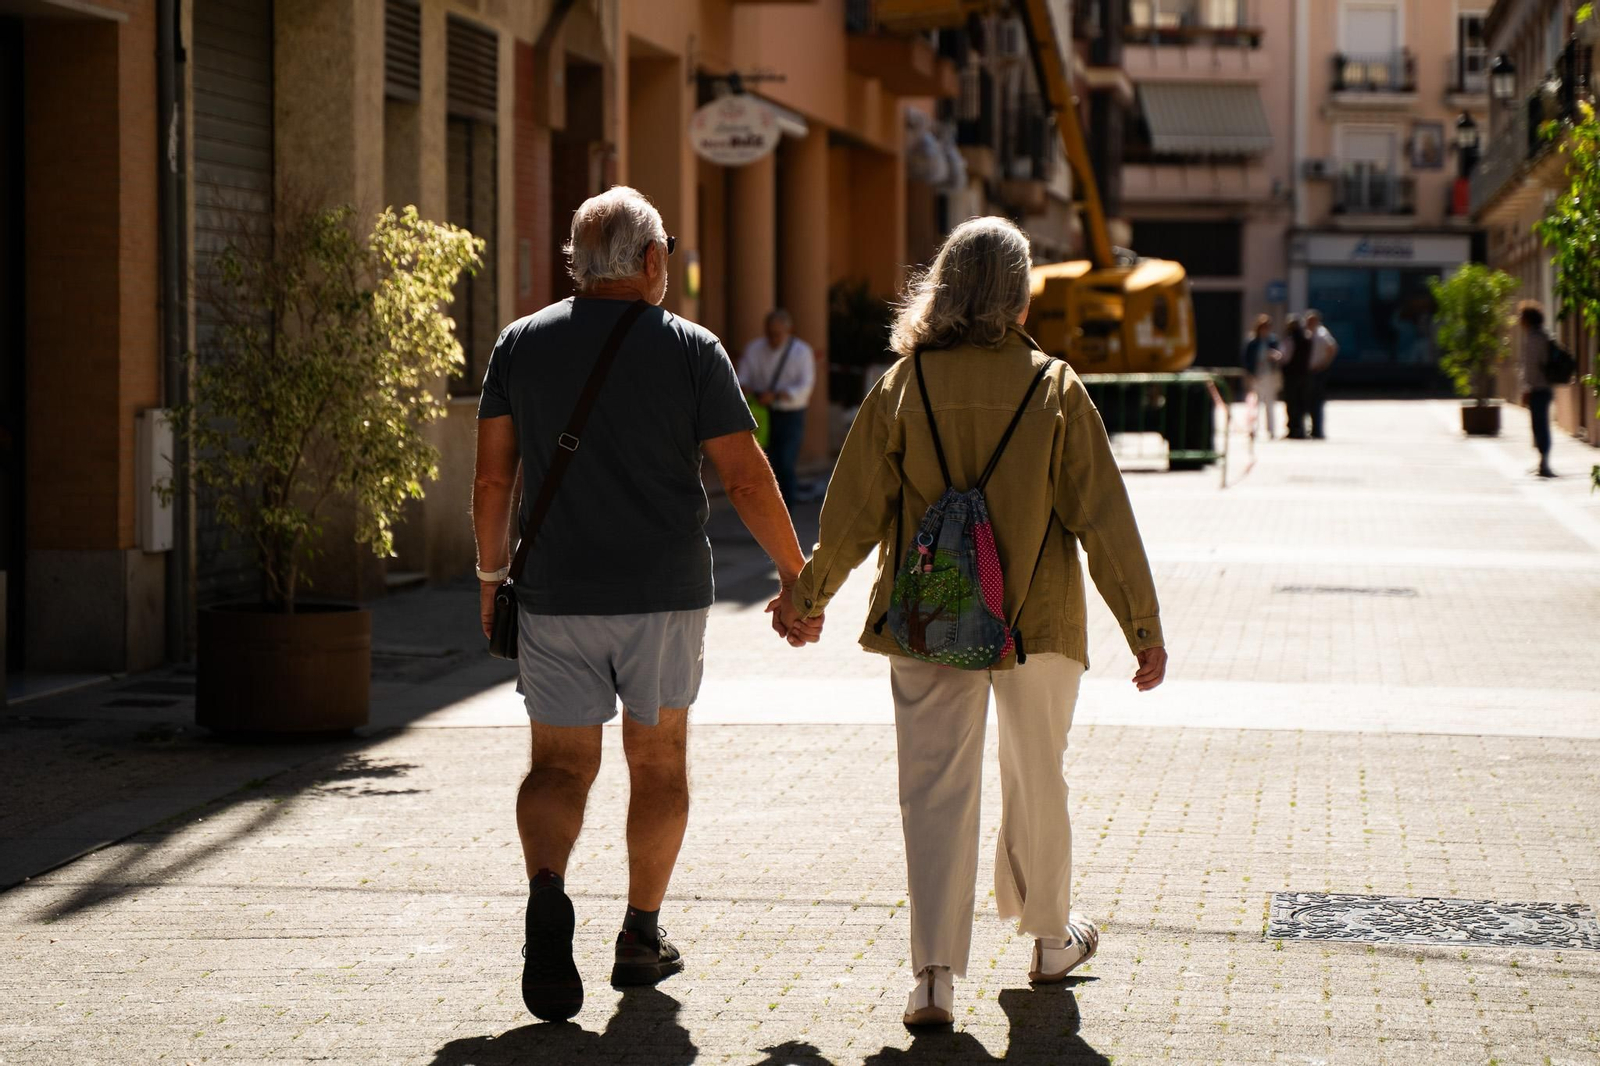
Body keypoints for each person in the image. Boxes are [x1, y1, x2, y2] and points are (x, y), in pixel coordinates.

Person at [778, 217, 1168, 1027]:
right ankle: (1051, 940)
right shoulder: (1055, 384)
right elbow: (1103, 516)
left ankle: (933, 977)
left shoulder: (904, 384)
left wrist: (807, 598)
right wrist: (1142, 626)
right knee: (1038, 778)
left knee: (933, 790)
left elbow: (849, 510)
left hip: (928, 618)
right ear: (1019, 293)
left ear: (945, 286)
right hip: (1038, 618)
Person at [471, 186, 822, 1023]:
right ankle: (639, 934)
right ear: (654, 260)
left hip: (554, 593)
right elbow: (744, 476)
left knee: (558, 765)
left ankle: (547, 896)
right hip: (663, 597)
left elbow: (492, 478)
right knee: (657, 764)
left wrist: (491, 582)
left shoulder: (520, 343)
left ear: (576, 265)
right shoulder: (692, 350)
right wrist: (793, 574)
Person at [739, 309, 816, 509]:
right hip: (762, 413)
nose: (773, 339)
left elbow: (805, 387)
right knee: (764, 464)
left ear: (788, 331)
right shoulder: (754, 349)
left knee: (785, 462)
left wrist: (778, 394)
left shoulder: (802, 352)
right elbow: (742, 378)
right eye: (769, 334)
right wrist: (751, 391)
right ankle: (766, 509)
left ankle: (786, 509)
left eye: (777, 334)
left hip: (791, 414)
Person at [1518, 301, 1556, 478]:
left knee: (1540, 425)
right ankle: (1543, 461)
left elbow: (1532, 366)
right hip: (1543, 388)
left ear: (1528, 319)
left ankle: (1544, 462)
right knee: (1540, 425)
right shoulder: (1542, 336)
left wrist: (1527, 388)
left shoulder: (1535, 339)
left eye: (1521, 317)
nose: (1519, 320)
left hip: (1538, 388)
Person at [1241, 314, 1283, 440]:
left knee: (1269, 403)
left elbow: (1279, 355)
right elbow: (1246, 359)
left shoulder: (1272, 341)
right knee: (1254, 404)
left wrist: (1275, 356)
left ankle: (1271, 430)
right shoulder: (1252, 342)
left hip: (1269, 375)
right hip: (1256, 375)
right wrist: (1249, 374)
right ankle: (1253, 429)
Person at [1304, 309, 1339, 439]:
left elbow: (1332, 348)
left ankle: (1317, 429)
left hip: (1317, 371)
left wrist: (1324, 364)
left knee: (1316, 401)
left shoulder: (1321, 333)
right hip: (1307, 371)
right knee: (1307, 400)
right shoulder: (1307, 333)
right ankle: (1310, 428)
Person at [1280, 314, 1312, 440]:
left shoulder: (1290, 339)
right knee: (1302, 402)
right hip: (1304, 374)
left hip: (1291, 375)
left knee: (1292, 403)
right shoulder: (1307, 339)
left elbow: (1285, 357)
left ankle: (1294, 429)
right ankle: (1302, 428)